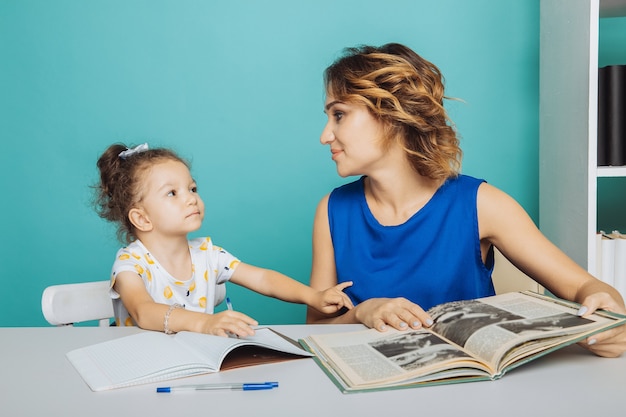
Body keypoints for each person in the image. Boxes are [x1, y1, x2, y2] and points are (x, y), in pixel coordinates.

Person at [306, 42, 626, 357]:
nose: (325, 135)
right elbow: (314, 328)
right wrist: (363, 313)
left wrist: (609, 317)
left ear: (389, 115)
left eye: (339, 115)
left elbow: (589, 289)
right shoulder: (332, 211)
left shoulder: (482, 204)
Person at [94, 143, 353, 337]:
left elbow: (263, 279)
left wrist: (314, 296)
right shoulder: (131, 263)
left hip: (192, 363)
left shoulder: (208, 255)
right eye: (172, 193)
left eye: (192, 188)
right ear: (142, 219)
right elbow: (143, 311)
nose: (190, 198)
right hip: (140, 367)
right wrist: (205, 323)